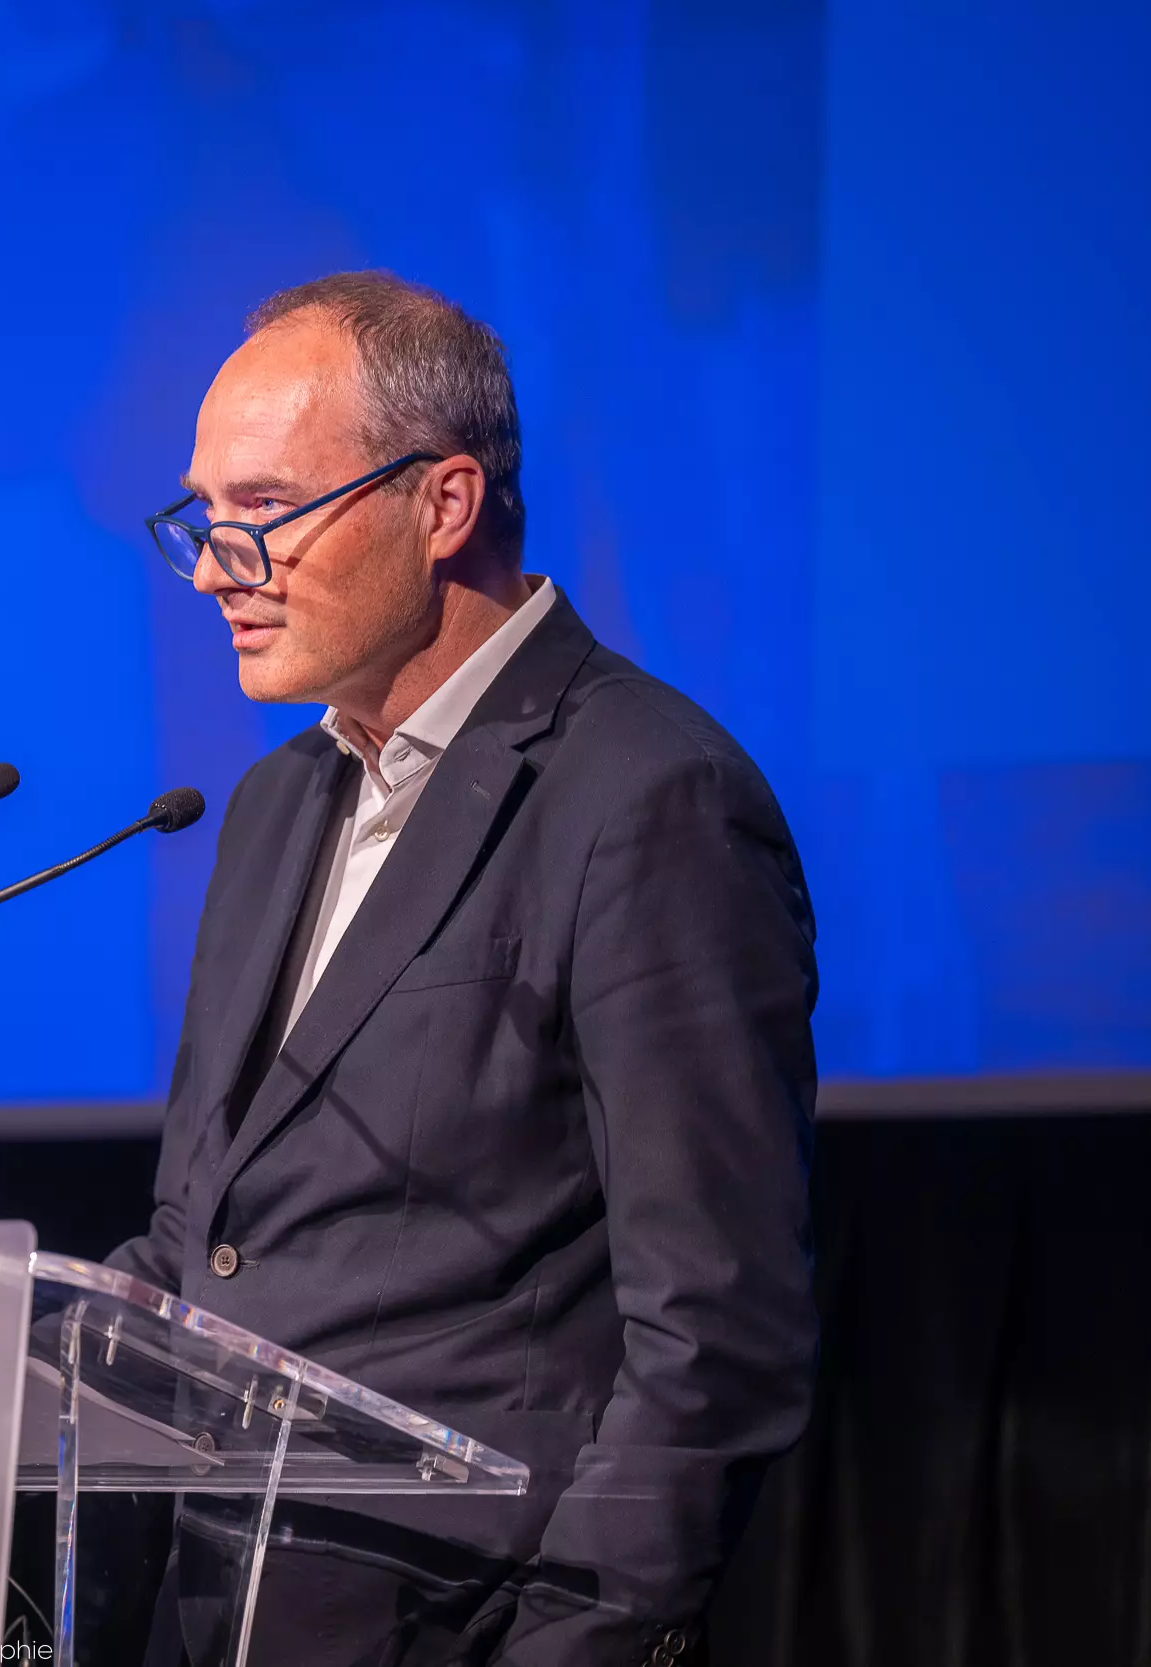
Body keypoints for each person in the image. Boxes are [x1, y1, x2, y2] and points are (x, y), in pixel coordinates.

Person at [107, 271, 819, 1666]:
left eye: (265, 509)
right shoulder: (271, 805)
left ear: (442, 504)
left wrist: (572, 1643)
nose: (212, 567)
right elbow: (208, 1243)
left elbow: (717, 1328)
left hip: (470, 1626)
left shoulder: (648, 796)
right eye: (202, 515)